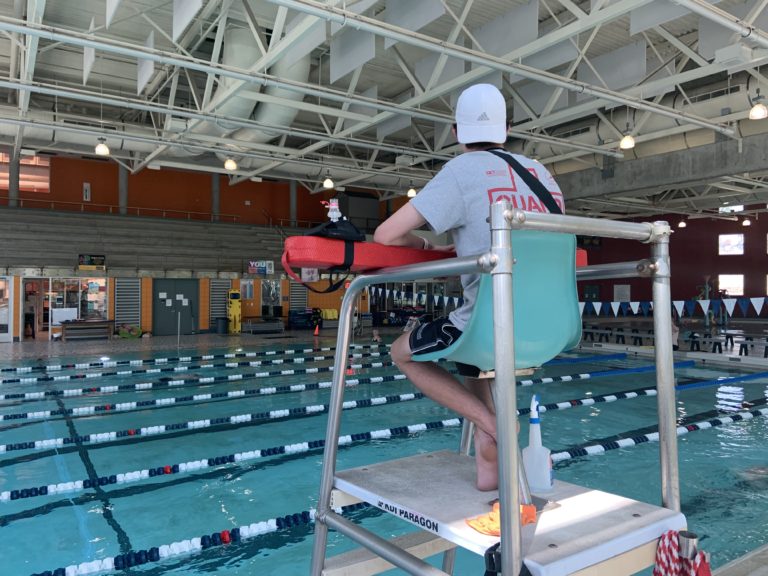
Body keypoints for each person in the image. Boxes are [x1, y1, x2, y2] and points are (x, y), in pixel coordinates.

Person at [373, 83, 565, 491]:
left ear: (456, 132)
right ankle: (488, 463)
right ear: (507, 129)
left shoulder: (462, 170)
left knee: (402, 353)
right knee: (474, 364)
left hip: (491, 324)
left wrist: (429, 246)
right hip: (554, 326)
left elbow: (386, 235)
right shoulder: (542, 174)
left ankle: (492, 423)